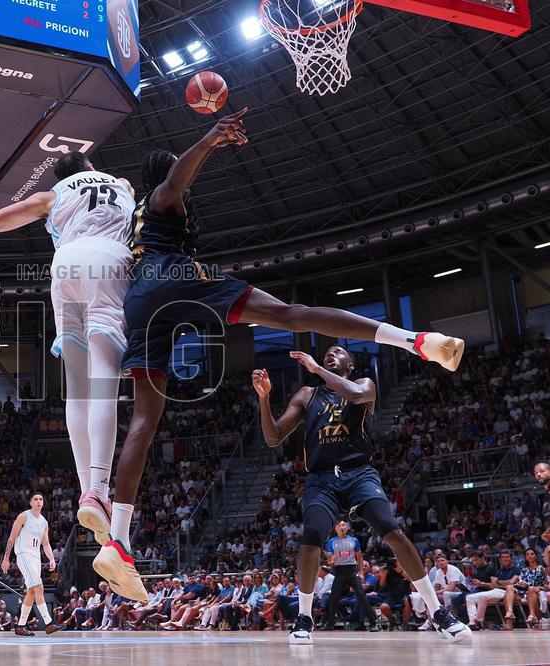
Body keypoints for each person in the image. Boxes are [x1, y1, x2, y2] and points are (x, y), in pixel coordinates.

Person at [100, 109, 466, 601]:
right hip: (175, 278)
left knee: (145, 419)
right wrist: (208, 140)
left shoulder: (136, 222)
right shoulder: (164, 197)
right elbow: (175, 181)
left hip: (139, 301)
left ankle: (118, 540)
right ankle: (413, 341)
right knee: (292, 315)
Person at [0, 153, 137, 547]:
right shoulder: (122, 184)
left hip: (65, 266)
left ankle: (89, 491)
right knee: (105, 384)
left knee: (78, 388)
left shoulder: (51, 195)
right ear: (91, 167)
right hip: (109, 260)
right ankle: (100, 487)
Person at [252, 346, 470, 645]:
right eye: (327, 353)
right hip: (322, 479)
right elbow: (273, 436)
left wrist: (317, 369)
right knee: (312, 534)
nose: (330, 354)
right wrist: (264, 398)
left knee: (390, 528)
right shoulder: (307, 395)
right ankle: (304, 617)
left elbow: (354, 395)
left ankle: (437, 612)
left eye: (338, 352)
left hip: (358, 473)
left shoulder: (364, 385)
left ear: (350, 365)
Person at [0, 493, 61, 636]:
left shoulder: (44, 522)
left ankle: (20, 626)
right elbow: (11, 538)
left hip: (36, 557)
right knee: (39, 587)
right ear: (31, 503)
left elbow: (46, 543)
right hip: (24, 555)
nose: (39, 501)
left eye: (41, 499)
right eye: (36, 499)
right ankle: (49, 624)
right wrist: (6, 558)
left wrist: (52, 559)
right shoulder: (24, 516)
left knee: (32, 592)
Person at [322, 521, 377, 631]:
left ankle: (373, 623)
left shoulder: (354, 540)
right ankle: (330, 623)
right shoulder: (332, 542)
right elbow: (329, 561)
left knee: (361, 595)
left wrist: (360, 571)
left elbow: (359, 557)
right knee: (333, 597)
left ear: (346, 527)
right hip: (339, 571)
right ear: (336, 529)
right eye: (339, 526)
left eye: (343, 525)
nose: (342, 527)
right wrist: (332, 558)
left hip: (351, 570)